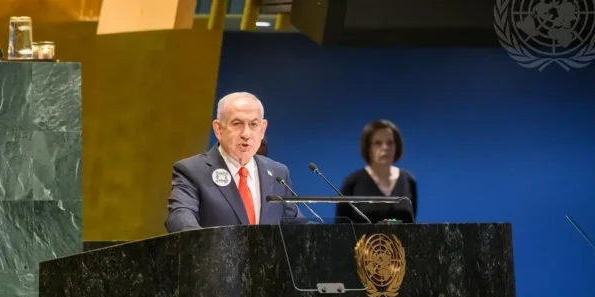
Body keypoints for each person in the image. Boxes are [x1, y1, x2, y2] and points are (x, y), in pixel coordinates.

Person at [164, 92, 303, 233]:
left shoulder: (278, 173)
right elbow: (179, 218)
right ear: (219, 129)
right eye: (237, 124)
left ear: (262, 129)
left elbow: (297, 226)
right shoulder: (193, 171)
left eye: (253, 124)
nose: (246, 134)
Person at [335, 119, 417, 224]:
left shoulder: (408, 180)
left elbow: (412, 223)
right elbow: (340, 227)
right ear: (368, 148)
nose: (385, 148)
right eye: (378, 143)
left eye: (390, 143)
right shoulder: (352, 182)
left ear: (397, 146)